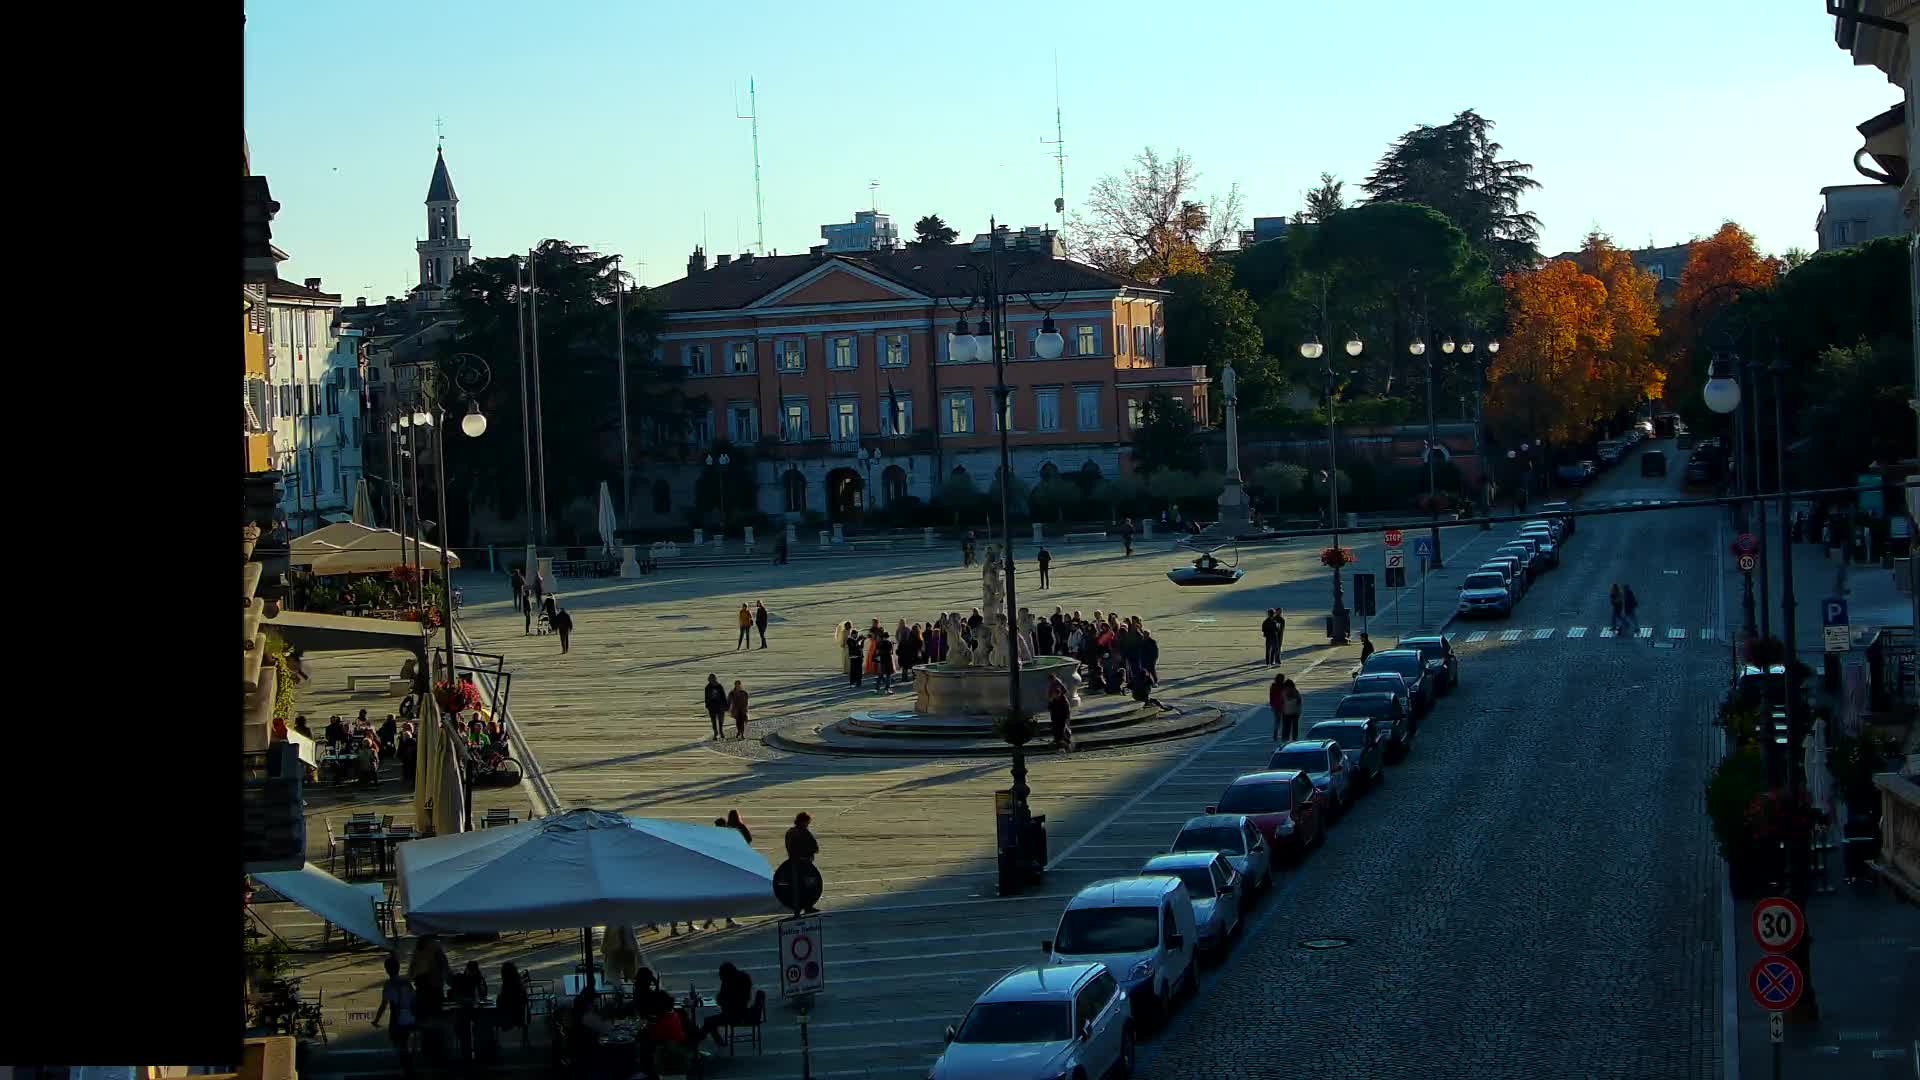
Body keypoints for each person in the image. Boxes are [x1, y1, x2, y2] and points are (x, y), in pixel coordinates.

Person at [371, 953, 417, 1077]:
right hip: (410, 1015)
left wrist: (376, 1020)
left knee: (398, 1041)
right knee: (405, 1040)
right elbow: (414, 998)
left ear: (387, 970)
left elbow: (384, 1005)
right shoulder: (406, 982)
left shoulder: (389, 985)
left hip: (397, 1017)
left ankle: (407, 1065)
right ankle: (408, 1063)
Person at [697, 962, 756, 1046]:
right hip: (743, 1011)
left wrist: (722, 996)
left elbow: (721, 1000)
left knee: (709, 1022)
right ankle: (716, 1041)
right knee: (710, 1022)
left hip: (733, 1015)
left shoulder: (729, 982)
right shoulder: (743, 977)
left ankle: (698, 1039)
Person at [786, 812, 821, 913]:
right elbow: (814, 847)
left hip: (795, 863)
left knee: (799, 886)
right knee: (808, 885)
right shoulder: (802, 832)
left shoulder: (791, 832)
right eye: (807, 822)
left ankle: (801, 907)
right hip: (803, 863)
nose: (808, 824)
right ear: (803, 821)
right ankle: (807, 906)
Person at [494, 962, 527, 1044]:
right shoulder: (519, 984)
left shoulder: (507, 987)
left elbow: (502, 1003)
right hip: (520, 1014)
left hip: (510, 1016)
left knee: (485, 1018)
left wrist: (498, 998)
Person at [1047, 674, 1073, 751]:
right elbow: (1050, 708)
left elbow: (1067, 711)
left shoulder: (1063, 701)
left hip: (1062, 718)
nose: (1054, 696)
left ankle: (1066, 745)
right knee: (1057, 732)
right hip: (1055, 718)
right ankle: (1062, 745)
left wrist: (1067, 718)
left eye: (1055, 695)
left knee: (1061, 732)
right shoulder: (1053, 700)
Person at [704, 674, 728, 740]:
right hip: (712, 707)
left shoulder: (719, 686)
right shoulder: (707, 687)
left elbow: (723, 696)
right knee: (713, 721)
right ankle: (715, 733)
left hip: (720, 706)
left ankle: (721, 731)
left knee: (721, 720)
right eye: (711, 679)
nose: (712, 680)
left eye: (713, 679)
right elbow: (706, 697)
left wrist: (726, 705)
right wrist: (707, 705)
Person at [874, 629, 895, 694]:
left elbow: (877, 652)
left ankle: (877, 689)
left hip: (882, 660)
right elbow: (891, 652)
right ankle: (887, 689)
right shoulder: (889, 643)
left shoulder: (879, 643)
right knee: (888, 675)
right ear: (888, 636)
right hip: (888, 659)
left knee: (880, 675)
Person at [1270, 674, 1289, 741]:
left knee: (1277, 720)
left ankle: (1275, 734)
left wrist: (1271, 704)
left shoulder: (1273, 686)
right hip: (1282, 705)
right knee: (1283, 720)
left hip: (1276, 705)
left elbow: (1271, 696)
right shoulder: (1284, 686)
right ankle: (1283, 735)